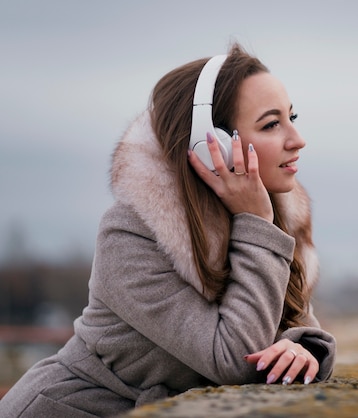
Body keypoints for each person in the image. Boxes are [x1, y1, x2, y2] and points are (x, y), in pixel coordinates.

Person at [0, 43, 336, 417]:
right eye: (272, 124)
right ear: (214, 146)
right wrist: (256, 225)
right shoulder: (131, 235)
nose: (297, 139)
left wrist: (303, 350)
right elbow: (234, 359)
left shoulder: (270, 216)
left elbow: (295, 322)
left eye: (293, 117)